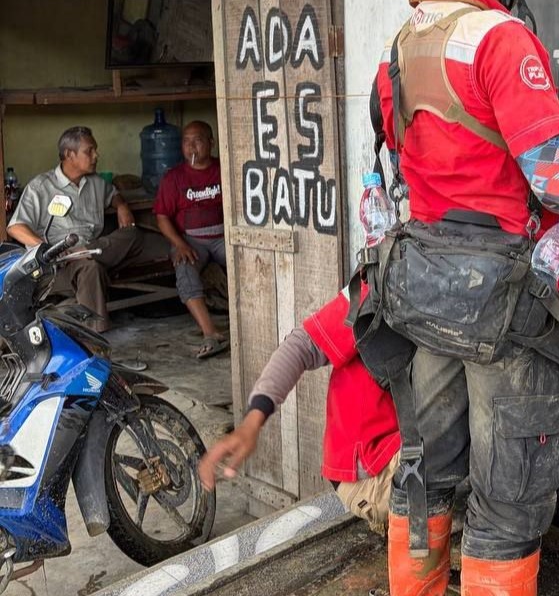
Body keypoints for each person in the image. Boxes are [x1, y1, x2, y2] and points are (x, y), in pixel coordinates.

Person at [360, 0, 559, 596]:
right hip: (503, 308)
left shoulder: (402, 44)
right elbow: (555, 177)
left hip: (424, 295)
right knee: (508, 502)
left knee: (427, 479)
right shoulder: (501, 41)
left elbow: (394, 154)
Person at [199, 283, 401, 534]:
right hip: (373, 470)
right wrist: (251, 423)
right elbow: (302, 345)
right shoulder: (382, 280)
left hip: (400, 448)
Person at [7, 126, 168, 333]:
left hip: (93, 252)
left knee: (132, 234)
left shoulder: (96, 183)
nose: (96, 155)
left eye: (95, 150)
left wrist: (121, 206)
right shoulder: (41, 187)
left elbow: (113, 194)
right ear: (69, 154)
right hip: (58, 265)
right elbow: (15, 227)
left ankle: (88, 251)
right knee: (90, 268)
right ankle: (96, 334)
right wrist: (46, 248)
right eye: (89, 151)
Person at [153, 121, 229, 359]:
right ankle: (211, 333)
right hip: (191, 240)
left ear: (211, 143)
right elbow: (162, 216)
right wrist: (180, 244)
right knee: (184, 268)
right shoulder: (173, 178)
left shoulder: (223, 169)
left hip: (224, 236)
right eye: (186, 141)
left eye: (197, 140)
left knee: (249, 263)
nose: (191, 147)